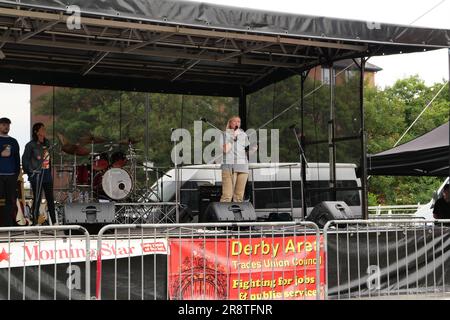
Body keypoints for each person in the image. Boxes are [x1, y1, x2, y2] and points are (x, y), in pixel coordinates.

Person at [22, 123, 57, 225]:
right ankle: (35, 221)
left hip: (47, 174)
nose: (44, 130)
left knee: (50, 198)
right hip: (36, 175)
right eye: (42, 129)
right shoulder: (30, 145)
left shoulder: (47, 143)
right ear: (36, 132)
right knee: (37, 198)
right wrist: (30, 172)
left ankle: (54, 222)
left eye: (44, 128)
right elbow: (25, 160)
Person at [220, 116, 256, 202]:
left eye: (239, 122)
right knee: (227, 196)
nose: (237, 123)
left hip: (243, 167)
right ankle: (224, 215)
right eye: (235, 121)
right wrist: (232, 138)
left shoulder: (243, 135)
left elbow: (245, 153)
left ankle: (237, 215)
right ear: (230, 123)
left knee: (239, 196)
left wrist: (253, 150)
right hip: (229, 167)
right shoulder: (224, 134)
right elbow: (225, 150)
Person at [0, 117, 20, 227]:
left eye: (8, 125)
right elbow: (4, 154)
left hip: (11, 175)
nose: (6, 127)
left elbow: (17, 158)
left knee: (10, 202)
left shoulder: (13, 141)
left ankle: (8, 226)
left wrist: (16, 173)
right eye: (3, 124)